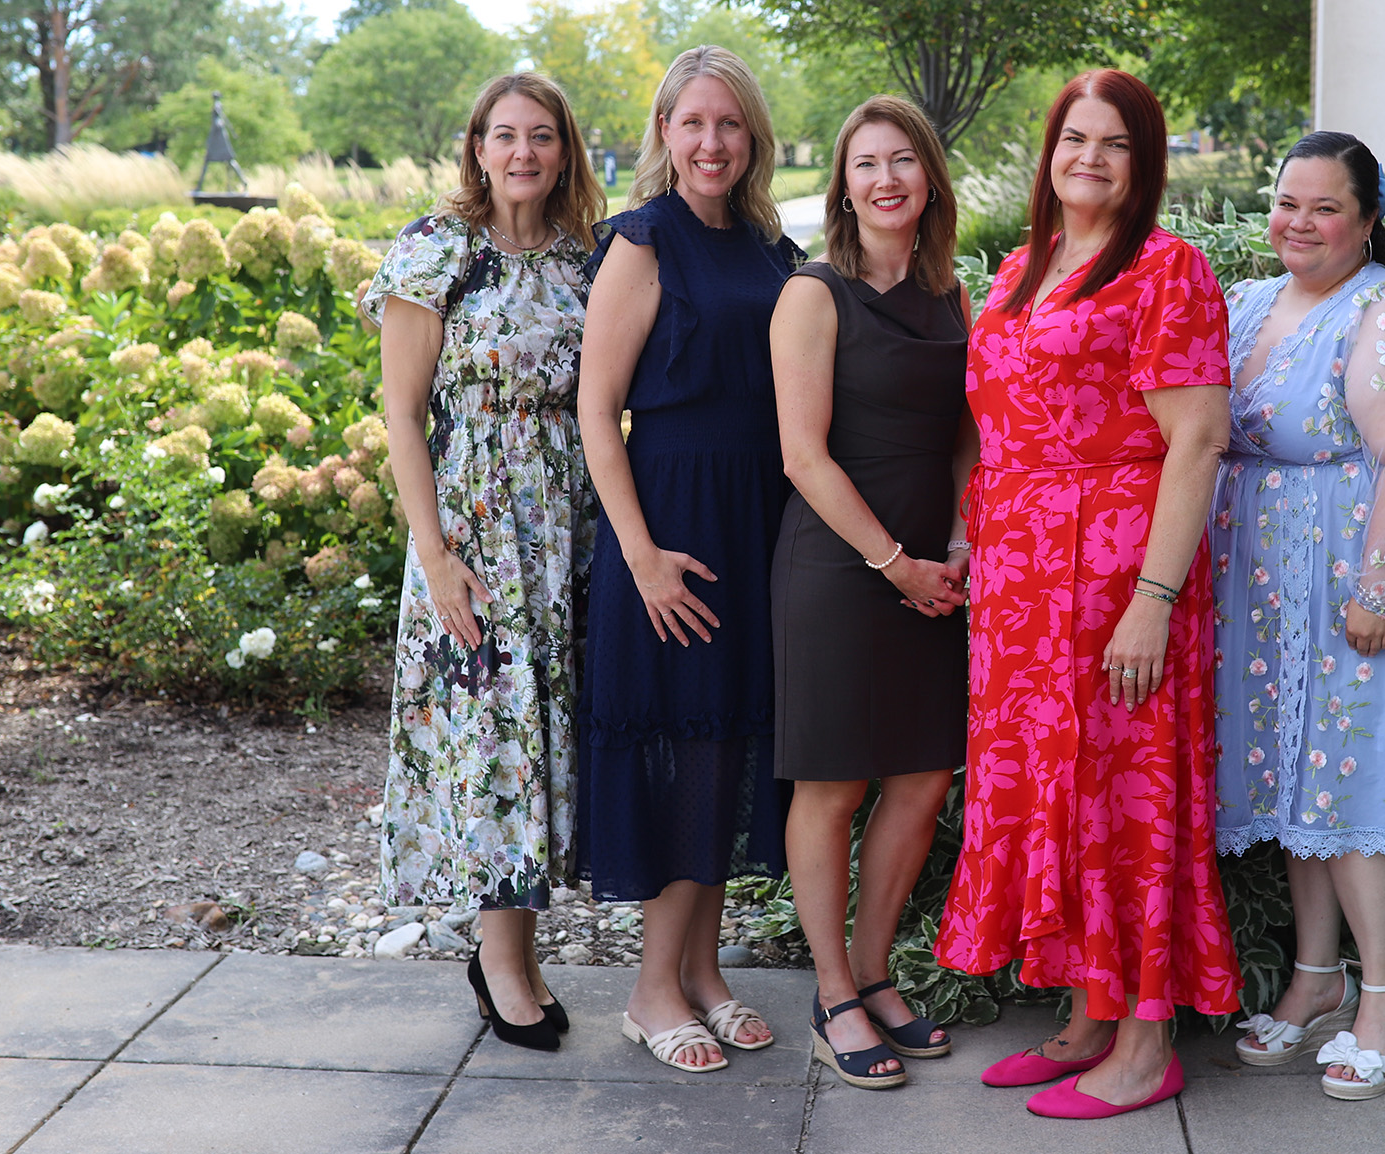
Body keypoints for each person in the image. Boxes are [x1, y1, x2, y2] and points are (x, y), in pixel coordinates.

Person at [935, 68, 1239, 1120]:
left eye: (1115, 143)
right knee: (1053, 790)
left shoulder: (1166, 270)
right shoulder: (1023, 267)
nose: (1090, 159)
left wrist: (1152, 597)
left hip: (1117, 575)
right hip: (1022, 589)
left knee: (1126, 790)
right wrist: (973, 535)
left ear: (1143, 162)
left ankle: (1146, 1035)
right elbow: (995, 427)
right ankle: (1085, 1009)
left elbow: (1196, 438)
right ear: (1049, 150)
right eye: (1074, 138)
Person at [1211, 131, 1385, 1100]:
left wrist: (1377, 589)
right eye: (1286, 202)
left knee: (1351, 782)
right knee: (1292, 783)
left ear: (1365, 220)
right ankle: (1315, 978)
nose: (1299, 223)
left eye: (1324, 207)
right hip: (1258, 585)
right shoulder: (1245, 305)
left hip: (1344, 581)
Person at [573, 45, 805, 1075]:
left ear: (750, 138)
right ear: (663, 133)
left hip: (755, 520)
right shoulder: (642, 239)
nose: (710, 142)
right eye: (691, 122)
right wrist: (640, 555)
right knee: (682, 751)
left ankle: (703, 972)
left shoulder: (767, 244)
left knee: (724, 749)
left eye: (728, 125)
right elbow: (594, 408)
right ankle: (650, 988)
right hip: (668, 525)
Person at [369, 71, 605, 1052]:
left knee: (546, 733)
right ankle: (499, 960)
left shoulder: (586, 259)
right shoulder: (437, 250)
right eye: (502, 135)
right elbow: (400, 412)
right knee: (498, 738)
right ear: (475, 147)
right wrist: (435, 553)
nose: (521, 153)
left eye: (540, 136)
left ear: (564, 152)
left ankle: (521, 949)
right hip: (474, 532)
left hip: (568, 525)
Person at [767, 94, 973, 1091]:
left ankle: (877, 968)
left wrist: (962, 541)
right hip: (841, 569)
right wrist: (895, 561)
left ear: (928, 176)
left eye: (902, 161)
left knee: (924, 777)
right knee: (836, 782)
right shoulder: (813, 293)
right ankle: (832, 992)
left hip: (939, 566)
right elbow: (801, 455)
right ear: (842, 185)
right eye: (864, 164)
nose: (886, 179)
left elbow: (969, 432)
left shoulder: (950, 290)